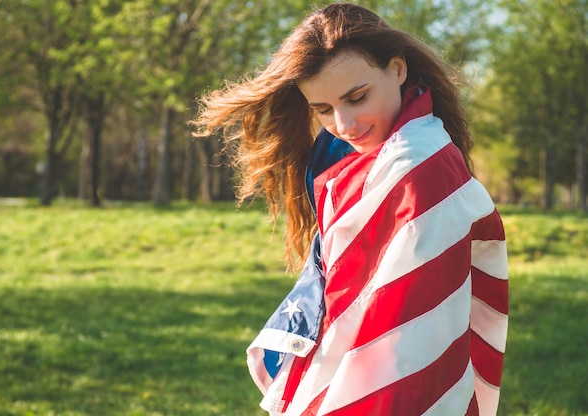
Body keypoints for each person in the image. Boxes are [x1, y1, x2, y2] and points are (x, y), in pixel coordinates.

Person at [193, 3, 508, 415]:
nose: (344, 125)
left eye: (357, 98)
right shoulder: (364, 158)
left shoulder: (418, 166)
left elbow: (401, 336)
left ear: (397, 70)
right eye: (323, 109)